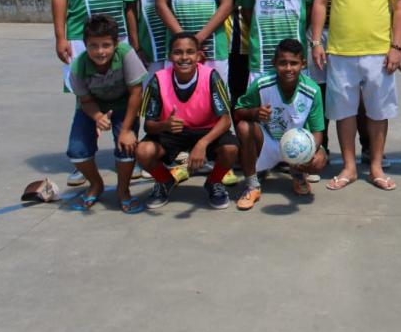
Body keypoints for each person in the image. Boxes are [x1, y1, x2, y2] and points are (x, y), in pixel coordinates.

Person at [309, 0, 401, 192]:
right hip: (340, 52)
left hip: (379, 53)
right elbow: (320, 2)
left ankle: (375, 166)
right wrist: (316, 42)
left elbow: (399, 8)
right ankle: (349, 167)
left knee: (378, 112)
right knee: (344, 112)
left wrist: (396, 46)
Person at [52, 0, 141, 187]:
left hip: (121, 35)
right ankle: (84, 159)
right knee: (85, 96)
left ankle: (127, 152)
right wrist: (60, 36)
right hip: (82, 35)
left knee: (128, 92)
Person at [290, 0, 371, 166]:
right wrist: (312, 38)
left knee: (359, 94)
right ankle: (318, 149)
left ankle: (368, 147)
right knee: (318, 91)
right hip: (317, 32)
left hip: (348, 32)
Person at [136, 32, 239, 210]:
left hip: (206, 130)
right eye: (178, 52)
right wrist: (164, 125)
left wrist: (202, 143)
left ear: (199, 55)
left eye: (190, 52)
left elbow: (225, 120)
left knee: (230, 149)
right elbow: (149, 125)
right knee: (143, 151)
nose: (184, 57)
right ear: (170, 56)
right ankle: (164, 181)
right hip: (172, 131)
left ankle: (214, 182)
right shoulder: (158, 79)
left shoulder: (211, 76)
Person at [233, 39, 328, 209]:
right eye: (283, 63)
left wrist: (309, 153)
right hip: (267, 142)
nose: (288, 68)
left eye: (294, 63)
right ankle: (252, 185)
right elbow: (238, 112)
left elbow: (318, 131)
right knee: (244, 127)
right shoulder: (261, 84)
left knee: (319, 160)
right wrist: (255, 113)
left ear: (303, 64)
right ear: (274, 63)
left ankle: (297, 172)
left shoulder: (313, 90)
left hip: (296, 146)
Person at [65, 14, 146, 213]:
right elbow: (85, 101)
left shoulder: (126, 55)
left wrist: (126, 130)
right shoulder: (77, 67)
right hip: (92, 106)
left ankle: (123, 190)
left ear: (116, 44)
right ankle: (96, 184)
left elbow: (136, 93)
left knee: (127, 146)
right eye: (93, 46)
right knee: (77, 151)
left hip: (124, 105)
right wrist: (97, 117)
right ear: (85, 45)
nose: (100, 51)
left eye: (106, 45)